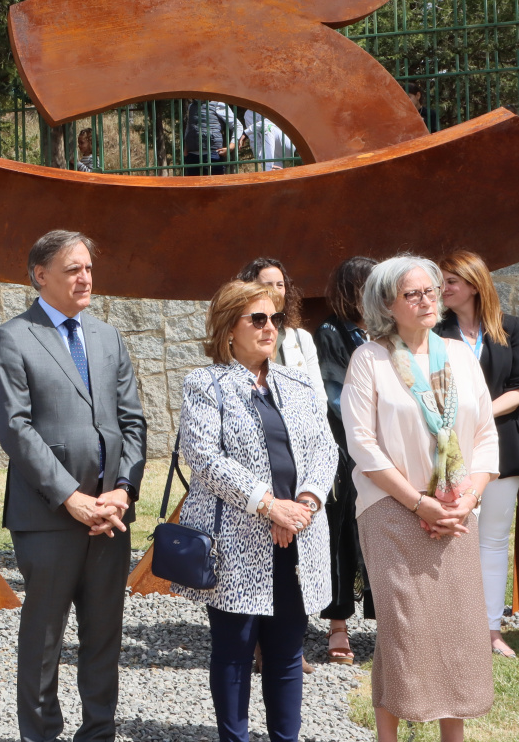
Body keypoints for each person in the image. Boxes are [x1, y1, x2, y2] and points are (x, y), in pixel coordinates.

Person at [0, 230, 148, 742]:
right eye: (73, 269)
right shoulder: (13, 338)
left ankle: (98, 733)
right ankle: (41, 735)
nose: (86, 278)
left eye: (88, 268)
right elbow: (16, 429)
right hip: (49, 517)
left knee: (104, 639)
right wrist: (71, 498)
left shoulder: (107, 337)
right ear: (40, 275)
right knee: (44, 640)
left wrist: (123, 488)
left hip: (111, 516)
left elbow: (133, 422)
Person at [341, 255, 498, 742]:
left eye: (431, 289)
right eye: (414, 293)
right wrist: (418, 502)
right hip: (392, 510)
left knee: (457, 630)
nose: (428, 299)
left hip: (456, 511)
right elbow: (362, 444)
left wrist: (467, 497)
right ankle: (389, 735)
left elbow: (485, 437)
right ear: (388, 303)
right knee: (403, 631)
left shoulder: (459, 354)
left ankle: (454, 737)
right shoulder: (370, 359)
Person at [176, 280, 337, 742]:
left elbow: (325, 449)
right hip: (237, 544)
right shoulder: (205, 384)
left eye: (276, 319)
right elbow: (205, 458)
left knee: (287, 652)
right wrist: (270, 507)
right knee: (234, 651)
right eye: (258, 319)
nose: (271, 328)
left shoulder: (299, 381)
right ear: (229, 328)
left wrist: (302, 506)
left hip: (299, 538)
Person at [435, 250, 519, 658]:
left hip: (504, 443)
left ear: (474, 285)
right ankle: (455, 626)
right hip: (453, 449)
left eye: (450, 282)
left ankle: (491, 629)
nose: (443, 289)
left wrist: (481, 413)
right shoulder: (437, 332)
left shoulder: (508, 327)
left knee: (493, 540)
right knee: (455, 539)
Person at [312, 256, 377, 663]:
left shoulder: (389, 332)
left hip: (387, 453)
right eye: (369, 285)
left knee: (380, 530)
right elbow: (335, 395)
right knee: (339, 536)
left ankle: (385, 618)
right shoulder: (331, 332)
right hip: (343, 449)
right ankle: (338, 625)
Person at [238, 258, 320, 376]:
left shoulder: (301, 338)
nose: (275, 291)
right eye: (268, 285)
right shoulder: (242, 336)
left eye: (280, 285)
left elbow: (317, 392)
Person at [183, 100, 243, 176]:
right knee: (194, 187)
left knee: (214, 186)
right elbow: (189, 127)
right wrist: (186, 147)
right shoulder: (191, 106)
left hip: (212, 154)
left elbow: (237, 125)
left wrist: (231, 146)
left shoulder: (218, 105)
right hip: (192, 155)